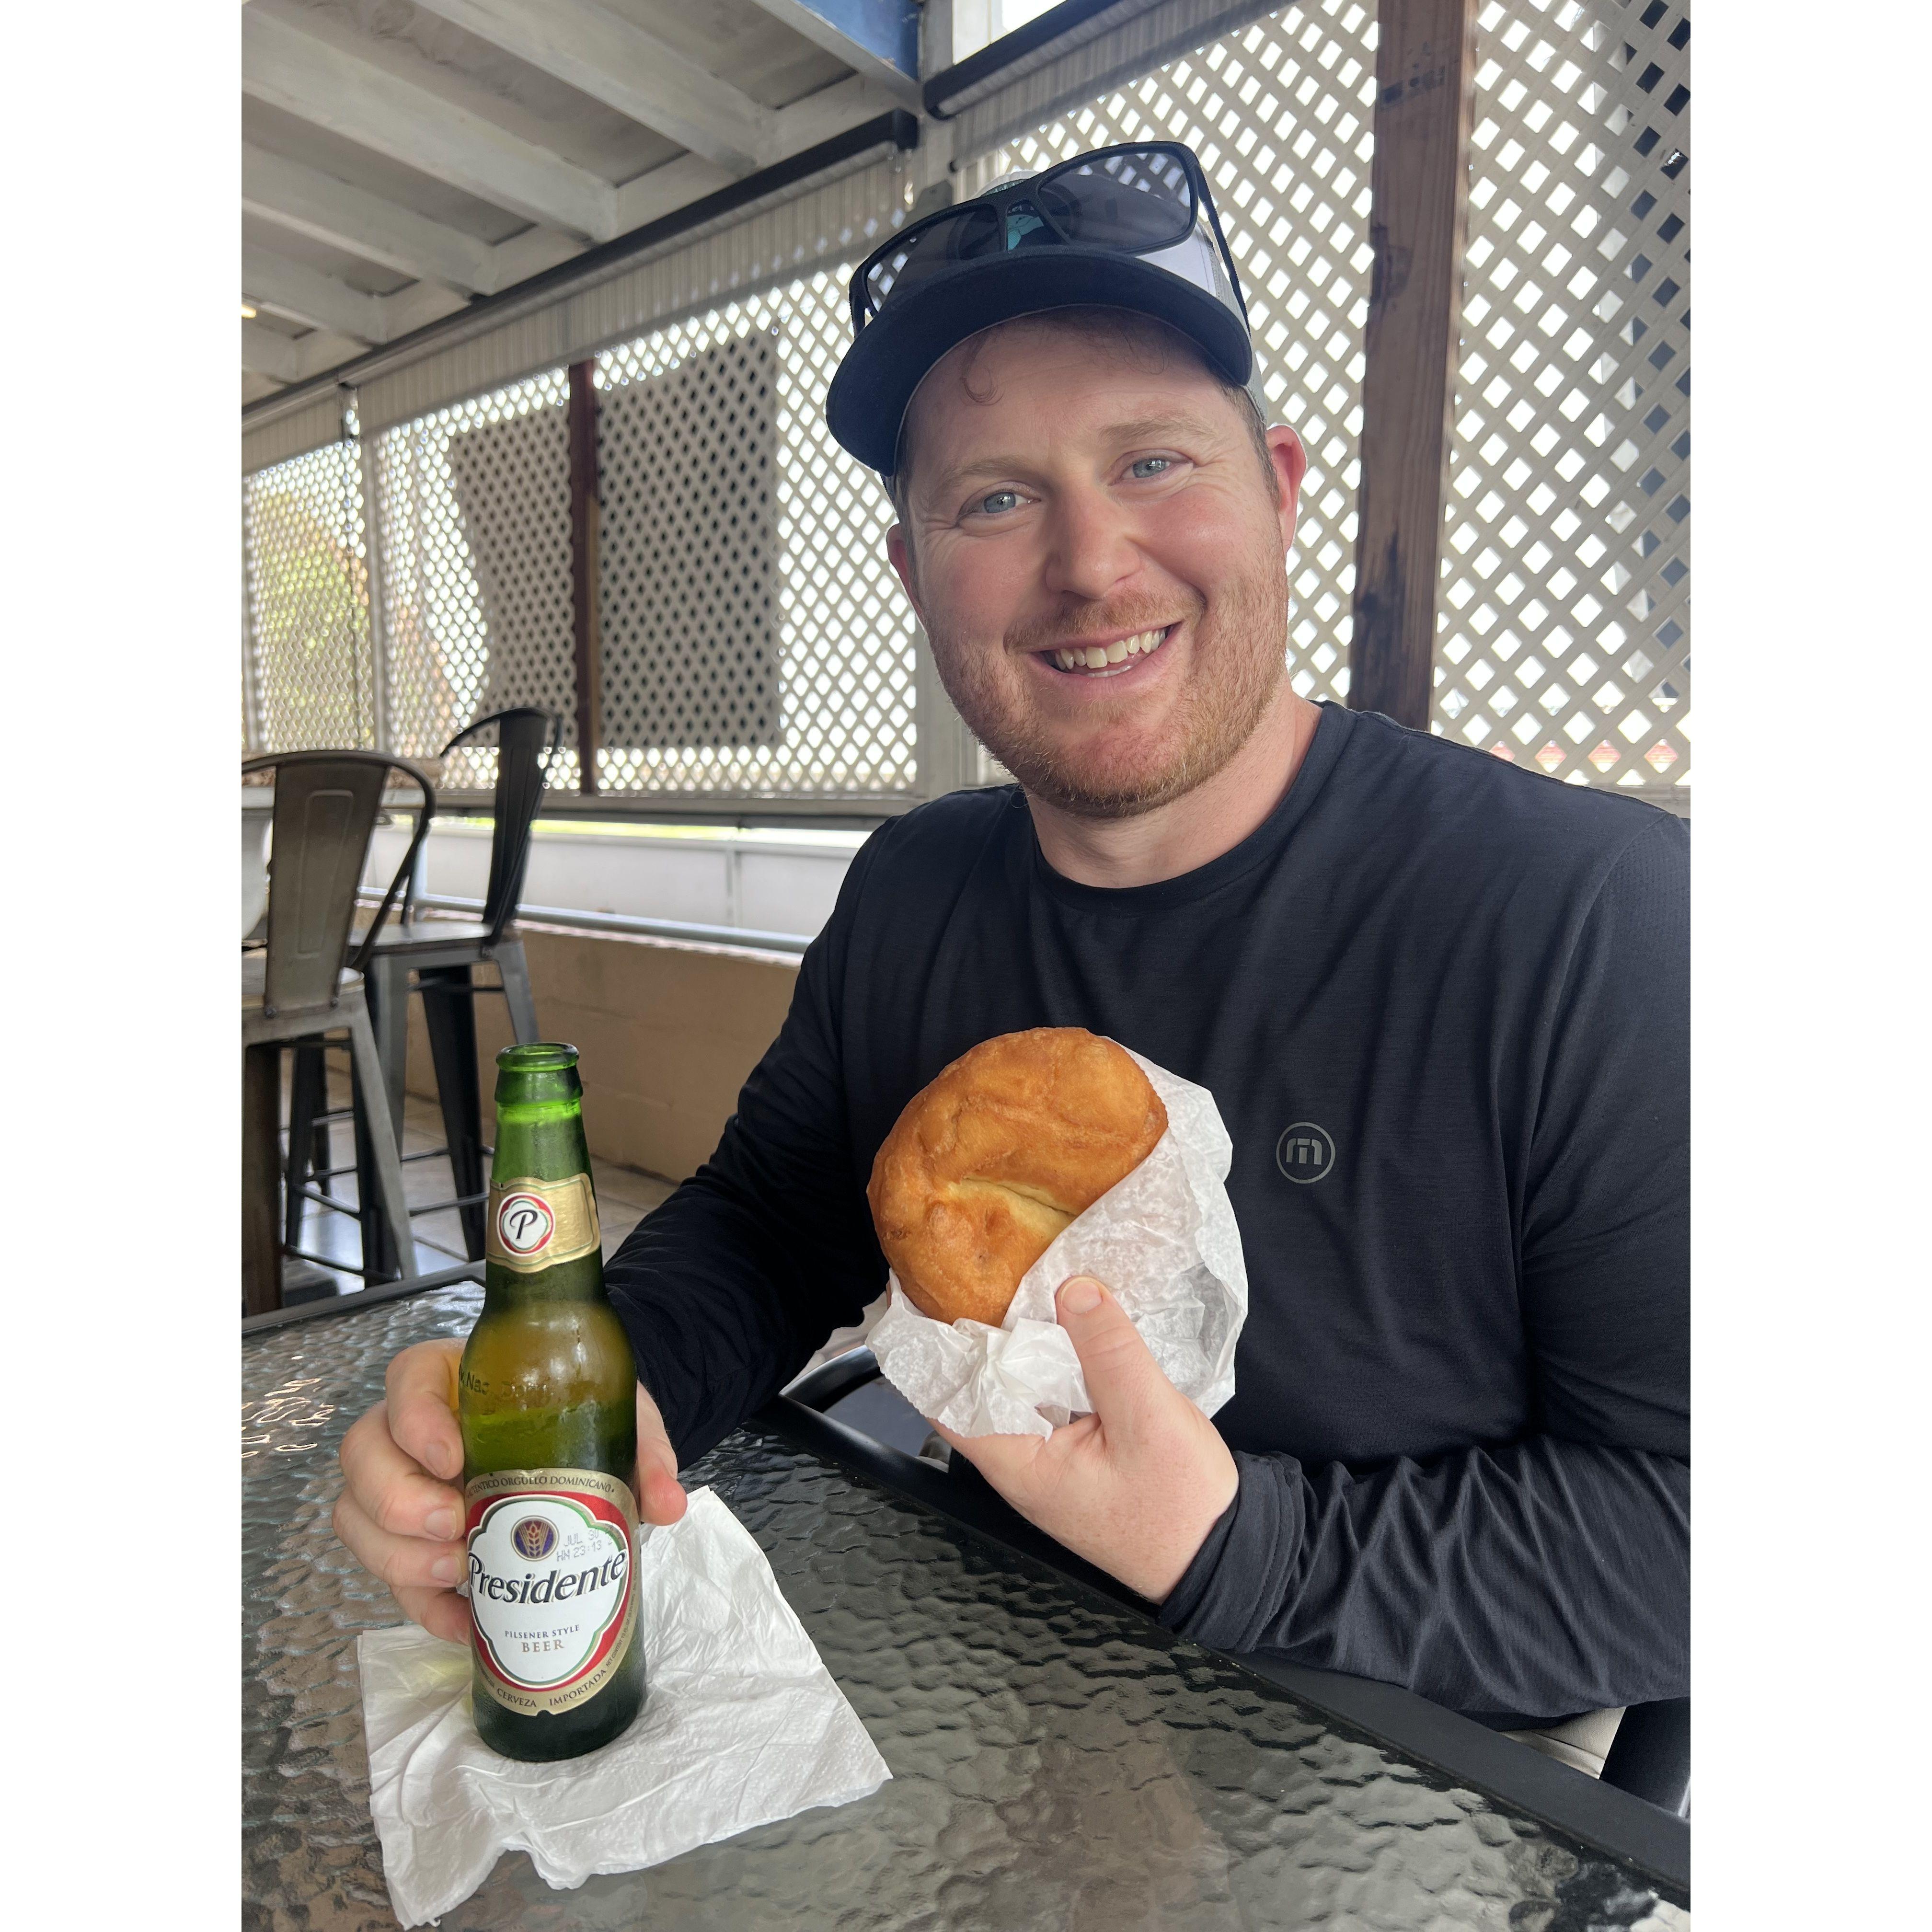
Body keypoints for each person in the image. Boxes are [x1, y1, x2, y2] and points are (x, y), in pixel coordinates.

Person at [334, 142, 1687, 1759]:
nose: (1092, 564)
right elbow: (776, 1221)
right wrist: (610, 1396)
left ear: (1283, 487)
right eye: (995, 498)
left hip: (1414, 1743)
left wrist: (1235, 1543)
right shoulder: (914, 885)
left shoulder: (1593, 916)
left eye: (1157, 463)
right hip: (982, 1670)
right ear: (915, 572)